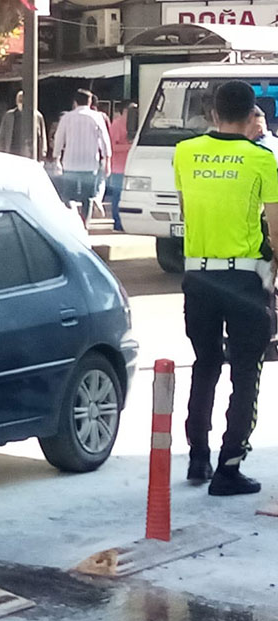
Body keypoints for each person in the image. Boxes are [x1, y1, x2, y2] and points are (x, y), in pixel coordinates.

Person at [174, 81, 278, 495]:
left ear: (213, 113)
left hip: (198, 275)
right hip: (244, 278)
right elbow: (274, 223)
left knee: (204, 365)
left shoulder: (184, 153)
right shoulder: (261, 159)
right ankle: (229, 466)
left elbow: (186, 210)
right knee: (245, 371)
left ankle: (197, 457)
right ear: (251, 113)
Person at [53, 89, 112, 228]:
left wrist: (57, 157)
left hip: (70, 163)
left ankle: (70, 220)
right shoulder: (96, 117)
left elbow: (59, 138)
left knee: (68, 195)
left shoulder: (67, 117)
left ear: (75, 102)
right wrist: (107, 159)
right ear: (90, 102)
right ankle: (85, 223)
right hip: (89, 163)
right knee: (88, 197)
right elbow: (104, 139)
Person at [107, 101, 136, 232]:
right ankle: (117, 223)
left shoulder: (138, 124)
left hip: (133, 167)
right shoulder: (117, 124)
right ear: (125, 111)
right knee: (118, 195)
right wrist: (129, 147)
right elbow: (111, 147)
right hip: (119, 167)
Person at [0, 90, 48, 161]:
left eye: (23, 99)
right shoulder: (9, 116)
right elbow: (1, 136)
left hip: (29, 155)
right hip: (11, 153)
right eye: (19, 99)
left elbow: (42, 137)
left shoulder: (37, 116)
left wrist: (42, 155)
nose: (21, 101)